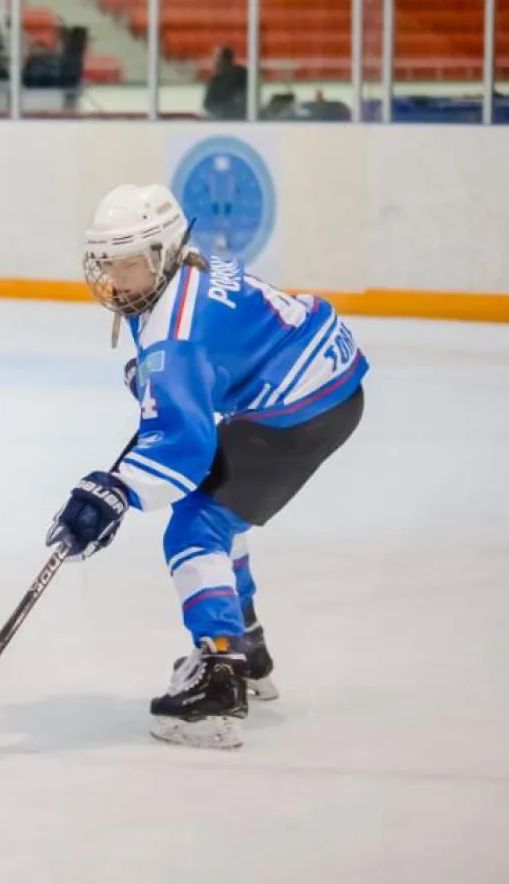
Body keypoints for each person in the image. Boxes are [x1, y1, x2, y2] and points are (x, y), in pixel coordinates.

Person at [46, 183, 367, 750]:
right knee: (220, 508)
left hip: (303, 406)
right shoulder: (189, 270)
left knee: (197, 525)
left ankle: (222, 679)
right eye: (106, 264)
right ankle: (248, 646)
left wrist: (113, 492)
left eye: (126, 265)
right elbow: (219, 345)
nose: (115, 281)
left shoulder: (176, 337)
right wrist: (162, 384)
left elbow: (184, 448)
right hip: (318, 376)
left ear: (159, 255)